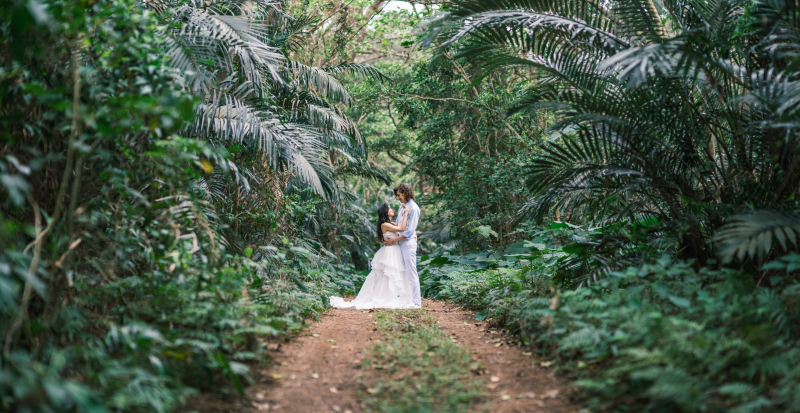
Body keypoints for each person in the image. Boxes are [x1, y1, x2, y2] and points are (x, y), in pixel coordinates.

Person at [329, 203, 417, 309]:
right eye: (389, 209)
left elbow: (404, 230)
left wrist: (413, 234)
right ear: (385, 212)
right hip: (391, 251)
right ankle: (388, 296)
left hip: (395, 250)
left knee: (396, 274)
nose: (392, 209)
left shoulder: (391, 223)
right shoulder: (384, 224)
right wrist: (406, 214)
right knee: (389, 274)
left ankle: (398, 297)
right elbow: (403, 229)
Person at [382, 184, 421, 307]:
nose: (397, 198)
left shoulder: (413, 208)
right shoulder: (402, 208)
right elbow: (400, 226)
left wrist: (394, 240)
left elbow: (408, 231)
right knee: (402, 273)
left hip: (407, 244)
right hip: (400, 243)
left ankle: (416, 303)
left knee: (411, 272)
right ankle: (405, 299)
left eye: (398, 195)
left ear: (404, 193)